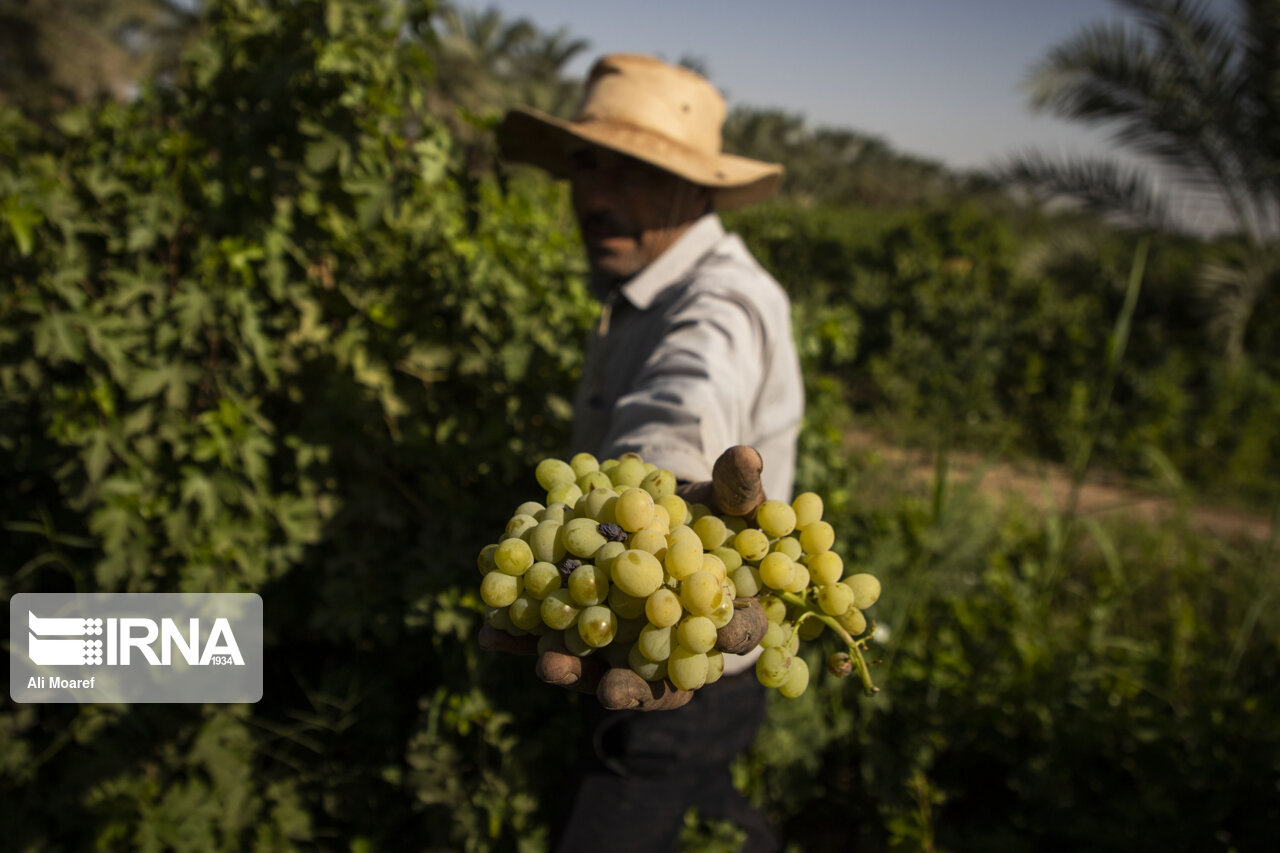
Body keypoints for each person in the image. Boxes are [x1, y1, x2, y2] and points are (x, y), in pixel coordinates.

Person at [493, 53, 803, 853]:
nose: (596, 195)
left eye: (633, 171)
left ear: (698, 190)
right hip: (686, 649)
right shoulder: (645, 281)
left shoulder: (719, 304)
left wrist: (660, 497)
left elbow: (686, 394)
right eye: (587, 165)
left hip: (685, 676)